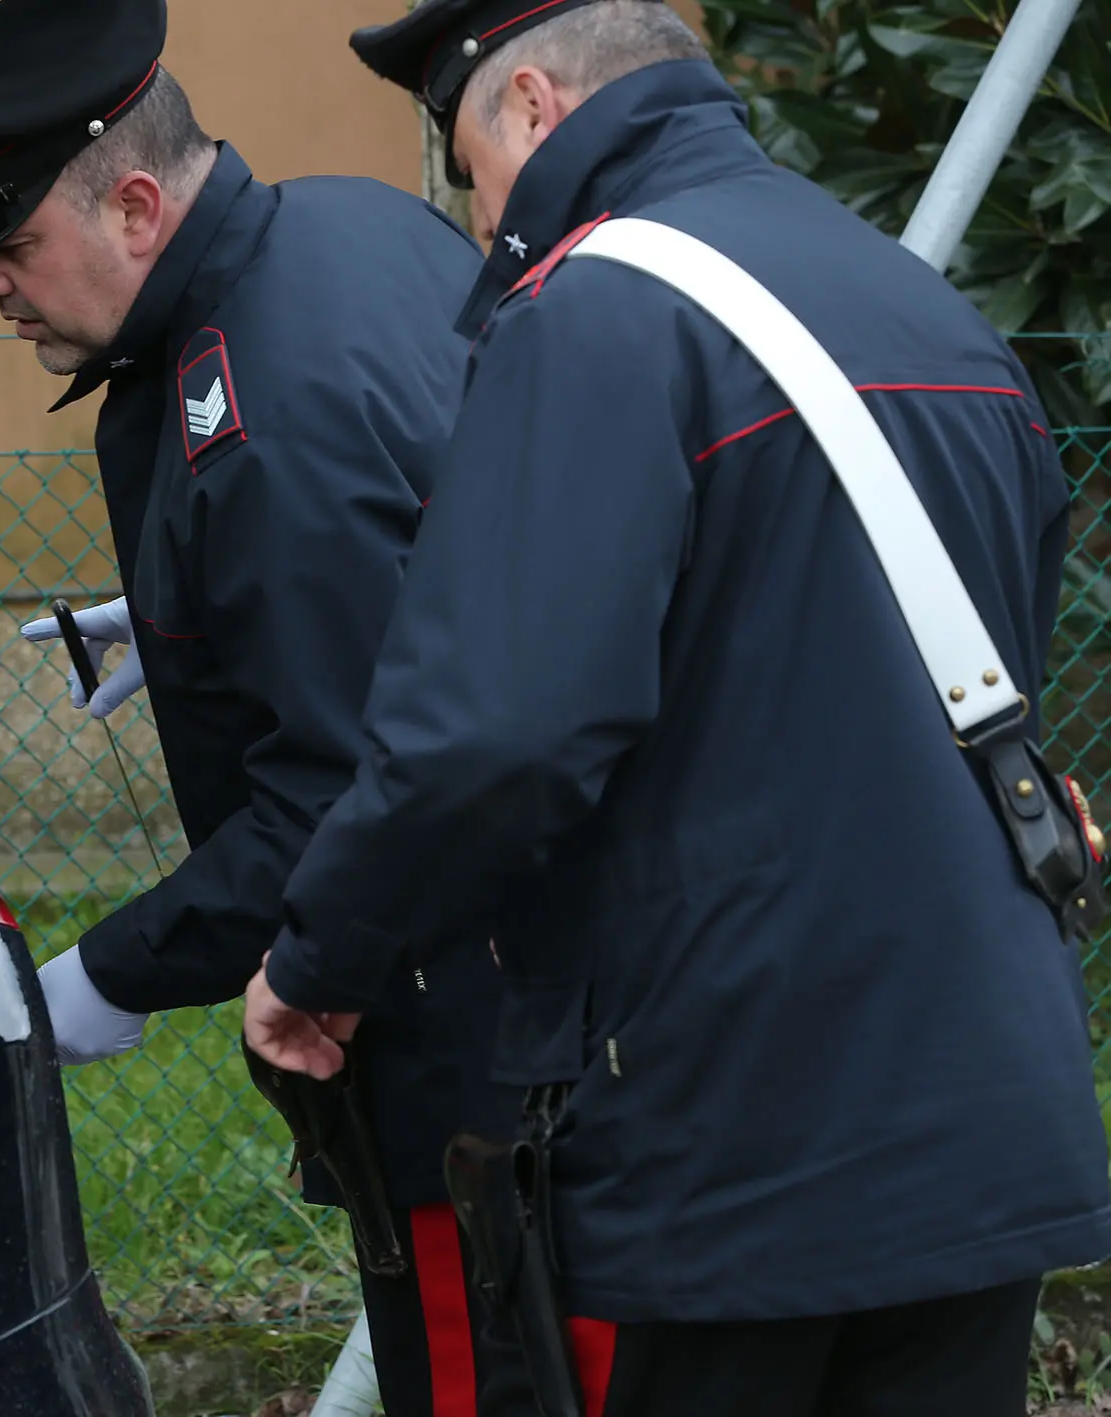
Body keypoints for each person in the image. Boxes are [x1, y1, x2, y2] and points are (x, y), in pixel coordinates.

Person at [241, 1, 1111, 1414]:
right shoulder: (919, 305)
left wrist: (320, 957)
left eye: (467, 164)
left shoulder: (593, 310)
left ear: (529, 105)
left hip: (738, 1134)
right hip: (982, 1111)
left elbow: (494, 733)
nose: (476, 218)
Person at [0, 3, 531, 1412]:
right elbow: (432, 560)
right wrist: (187, 619)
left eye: (9, 242)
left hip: (457, 1020)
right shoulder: (343, 233)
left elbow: (343, 792)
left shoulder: (262, 404)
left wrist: (107, 976)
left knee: (482, 1378)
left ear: (139, 204)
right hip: (549, 982)